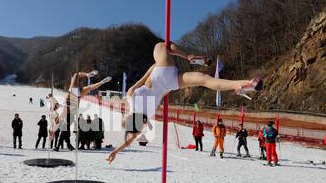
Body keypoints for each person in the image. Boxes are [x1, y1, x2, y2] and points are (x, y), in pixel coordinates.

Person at [106, 42, 262, 164]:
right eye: (122, 118)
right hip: (160, 73)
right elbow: (143, 77)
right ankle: (189, 57)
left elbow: (130, 140)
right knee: (161, 45)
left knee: (204, 80)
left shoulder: (145, 117)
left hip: (170, 83)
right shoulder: (130, 97)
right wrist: (156, 65)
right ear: (127, 118)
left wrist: (116, 152)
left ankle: (245, 85)